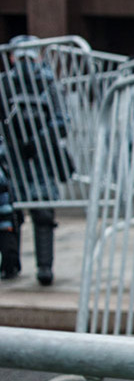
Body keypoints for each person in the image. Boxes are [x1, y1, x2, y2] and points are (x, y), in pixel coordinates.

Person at [0, 34, 67, 286]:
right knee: (27, 215)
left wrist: (34, 142)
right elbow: (62, 123)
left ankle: (19, 267)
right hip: (18, 160)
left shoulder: (46, 84)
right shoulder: (8, 84)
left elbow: (61, 122)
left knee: (22, 215)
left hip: (29, 160)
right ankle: (32, 267)